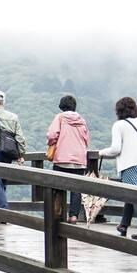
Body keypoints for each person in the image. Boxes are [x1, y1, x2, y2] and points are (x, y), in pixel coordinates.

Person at [98, 97, 137, 240]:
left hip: (130, 165)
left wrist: (102, 152)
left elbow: (116, 149)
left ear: (118, 111)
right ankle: (123, 225)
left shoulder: (119, 125)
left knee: (134, 195)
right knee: (131, 194)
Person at [46, 94, 89, 224]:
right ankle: (74, 216)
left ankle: (57, 214)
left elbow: (52, 135)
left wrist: (51, 143)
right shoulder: (82, 120)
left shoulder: (60, 117)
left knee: (58, 187)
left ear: (62, 105)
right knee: (76, 189)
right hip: (79, 159)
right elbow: (86, 139)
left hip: (62, 158)